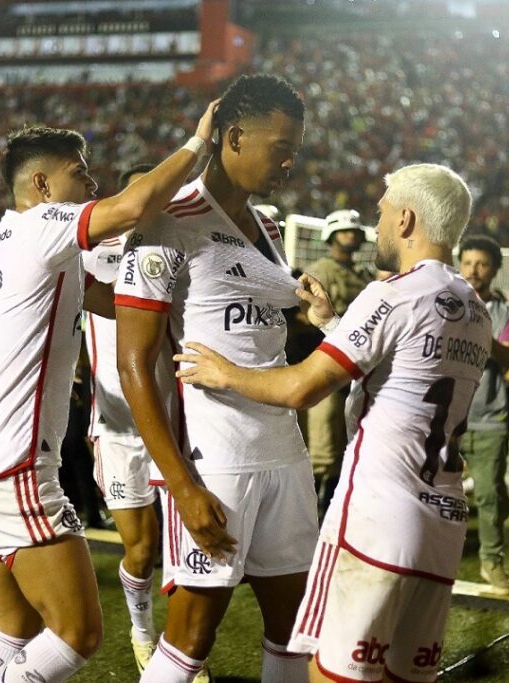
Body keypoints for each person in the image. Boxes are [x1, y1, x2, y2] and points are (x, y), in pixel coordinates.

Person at [173, 163, 491, 683]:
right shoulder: (474, 307)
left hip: (380, 518)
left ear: (407, 219)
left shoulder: (391, 294)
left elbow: (300, 387)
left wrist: (224, 372)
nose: (379, 225)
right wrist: (329, 324)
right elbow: (404, 368)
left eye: (383, 214)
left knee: (333, 677)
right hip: (443, 520)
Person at [0, 101, 219, 683]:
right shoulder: (42, 227)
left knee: (15, 627)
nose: (92, 182)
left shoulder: (6, 240)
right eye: (81, 172)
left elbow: (109, 299)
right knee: (79, 634)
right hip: (15, 467)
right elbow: (135, 204)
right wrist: (198, 144)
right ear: (43, 185)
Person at [115, 73, 316, 683]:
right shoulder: (166, 224)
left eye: (296, 149)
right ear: (232, 136)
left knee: (295, 628)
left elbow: (262, 334)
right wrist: (180, 486)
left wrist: (312, 310)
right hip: (214, 461)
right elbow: (134, 365)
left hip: (284, 449)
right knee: (191, 641)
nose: (290, 161)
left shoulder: (273, 229)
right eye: (280, 147)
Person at [81, 162, 168, 674]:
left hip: (179, 420)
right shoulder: (92, 252)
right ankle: (142, 635)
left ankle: (184, 651)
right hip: (117, 427)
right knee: (142, 547)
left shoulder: (180, 249)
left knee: (188, 547)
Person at [457, 234, 509, 595]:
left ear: (494, 269)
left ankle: (492, 561)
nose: (474, 271)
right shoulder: (444, 302)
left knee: (488, 496)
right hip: (445, 416)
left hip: (488, 416)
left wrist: (480, 327)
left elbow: (508, 357)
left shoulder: (505, 312)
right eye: (467, 263)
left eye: (482, 264)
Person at [303, 209, 375, 514]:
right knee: (323, 443)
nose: (351, 235)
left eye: (355, 231)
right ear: (331, 235)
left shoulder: (364, 276)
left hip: (358, 364)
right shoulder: (320, 270)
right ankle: (314, 509)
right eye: (345, 231)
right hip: (327, 361)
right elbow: (301, 313)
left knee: (349, 439)